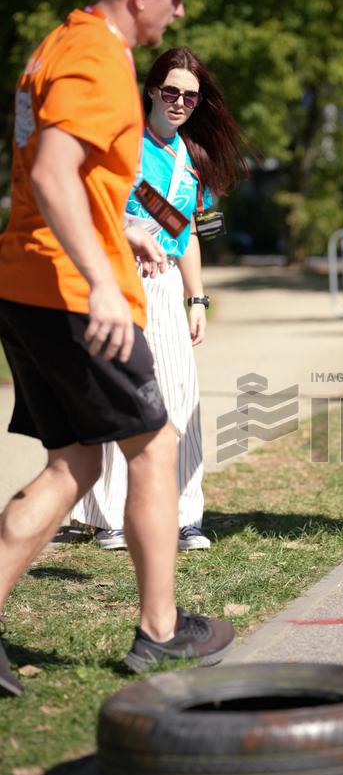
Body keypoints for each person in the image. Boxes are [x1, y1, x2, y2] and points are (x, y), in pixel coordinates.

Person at [0, 0, 235, 697]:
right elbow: (59, 172)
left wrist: (127, 225)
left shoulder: (59, 44)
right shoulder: (99, 56)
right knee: (155, 443)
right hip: (73, 295)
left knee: (73, 463)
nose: (177, 14)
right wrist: (103, 278)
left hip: (29, 286)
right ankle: (161, 632)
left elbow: (65, 178)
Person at [71, 47, 249, 552]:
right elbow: (91, 209)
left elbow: (187, 231)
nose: (179, 102)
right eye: (171, 91)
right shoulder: (122, 144)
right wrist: (128, 229)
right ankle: (108, 518)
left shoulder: (193, 158)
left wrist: (198, 299)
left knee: (180, 398)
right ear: (151, 90)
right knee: (114, 392)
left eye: (190, 96)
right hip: (115, 279)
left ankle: (185, 514)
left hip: (166, 285)